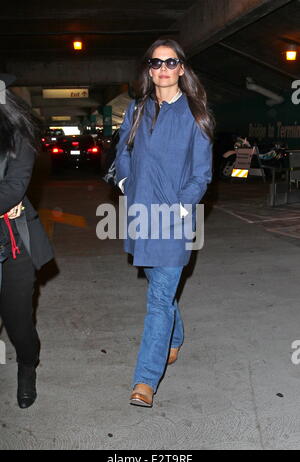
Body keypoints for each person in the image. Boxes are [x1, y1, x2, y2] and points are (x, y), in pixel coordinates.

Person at [115, 39, 215, 407]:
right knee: (162, 291)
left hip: (174, 219)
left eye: (170, 62)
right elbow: (122, 152)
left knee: (158, 300)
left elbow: (202, 175)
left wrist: (180, 208)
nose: (162, 69)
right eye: (155, 63)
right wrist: (126, 182)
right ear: (149, 69)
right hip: (141, 214)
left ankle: (144, 381)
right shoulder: (136, 110)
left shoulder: (196, 113)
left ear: (181, 68)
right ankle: (174, 339)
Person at [0, 73, 54, 408]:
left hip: (12, 243)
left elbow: (13, 188)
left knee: (18, 322)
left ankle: (26, 366)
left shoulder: (17, 134)